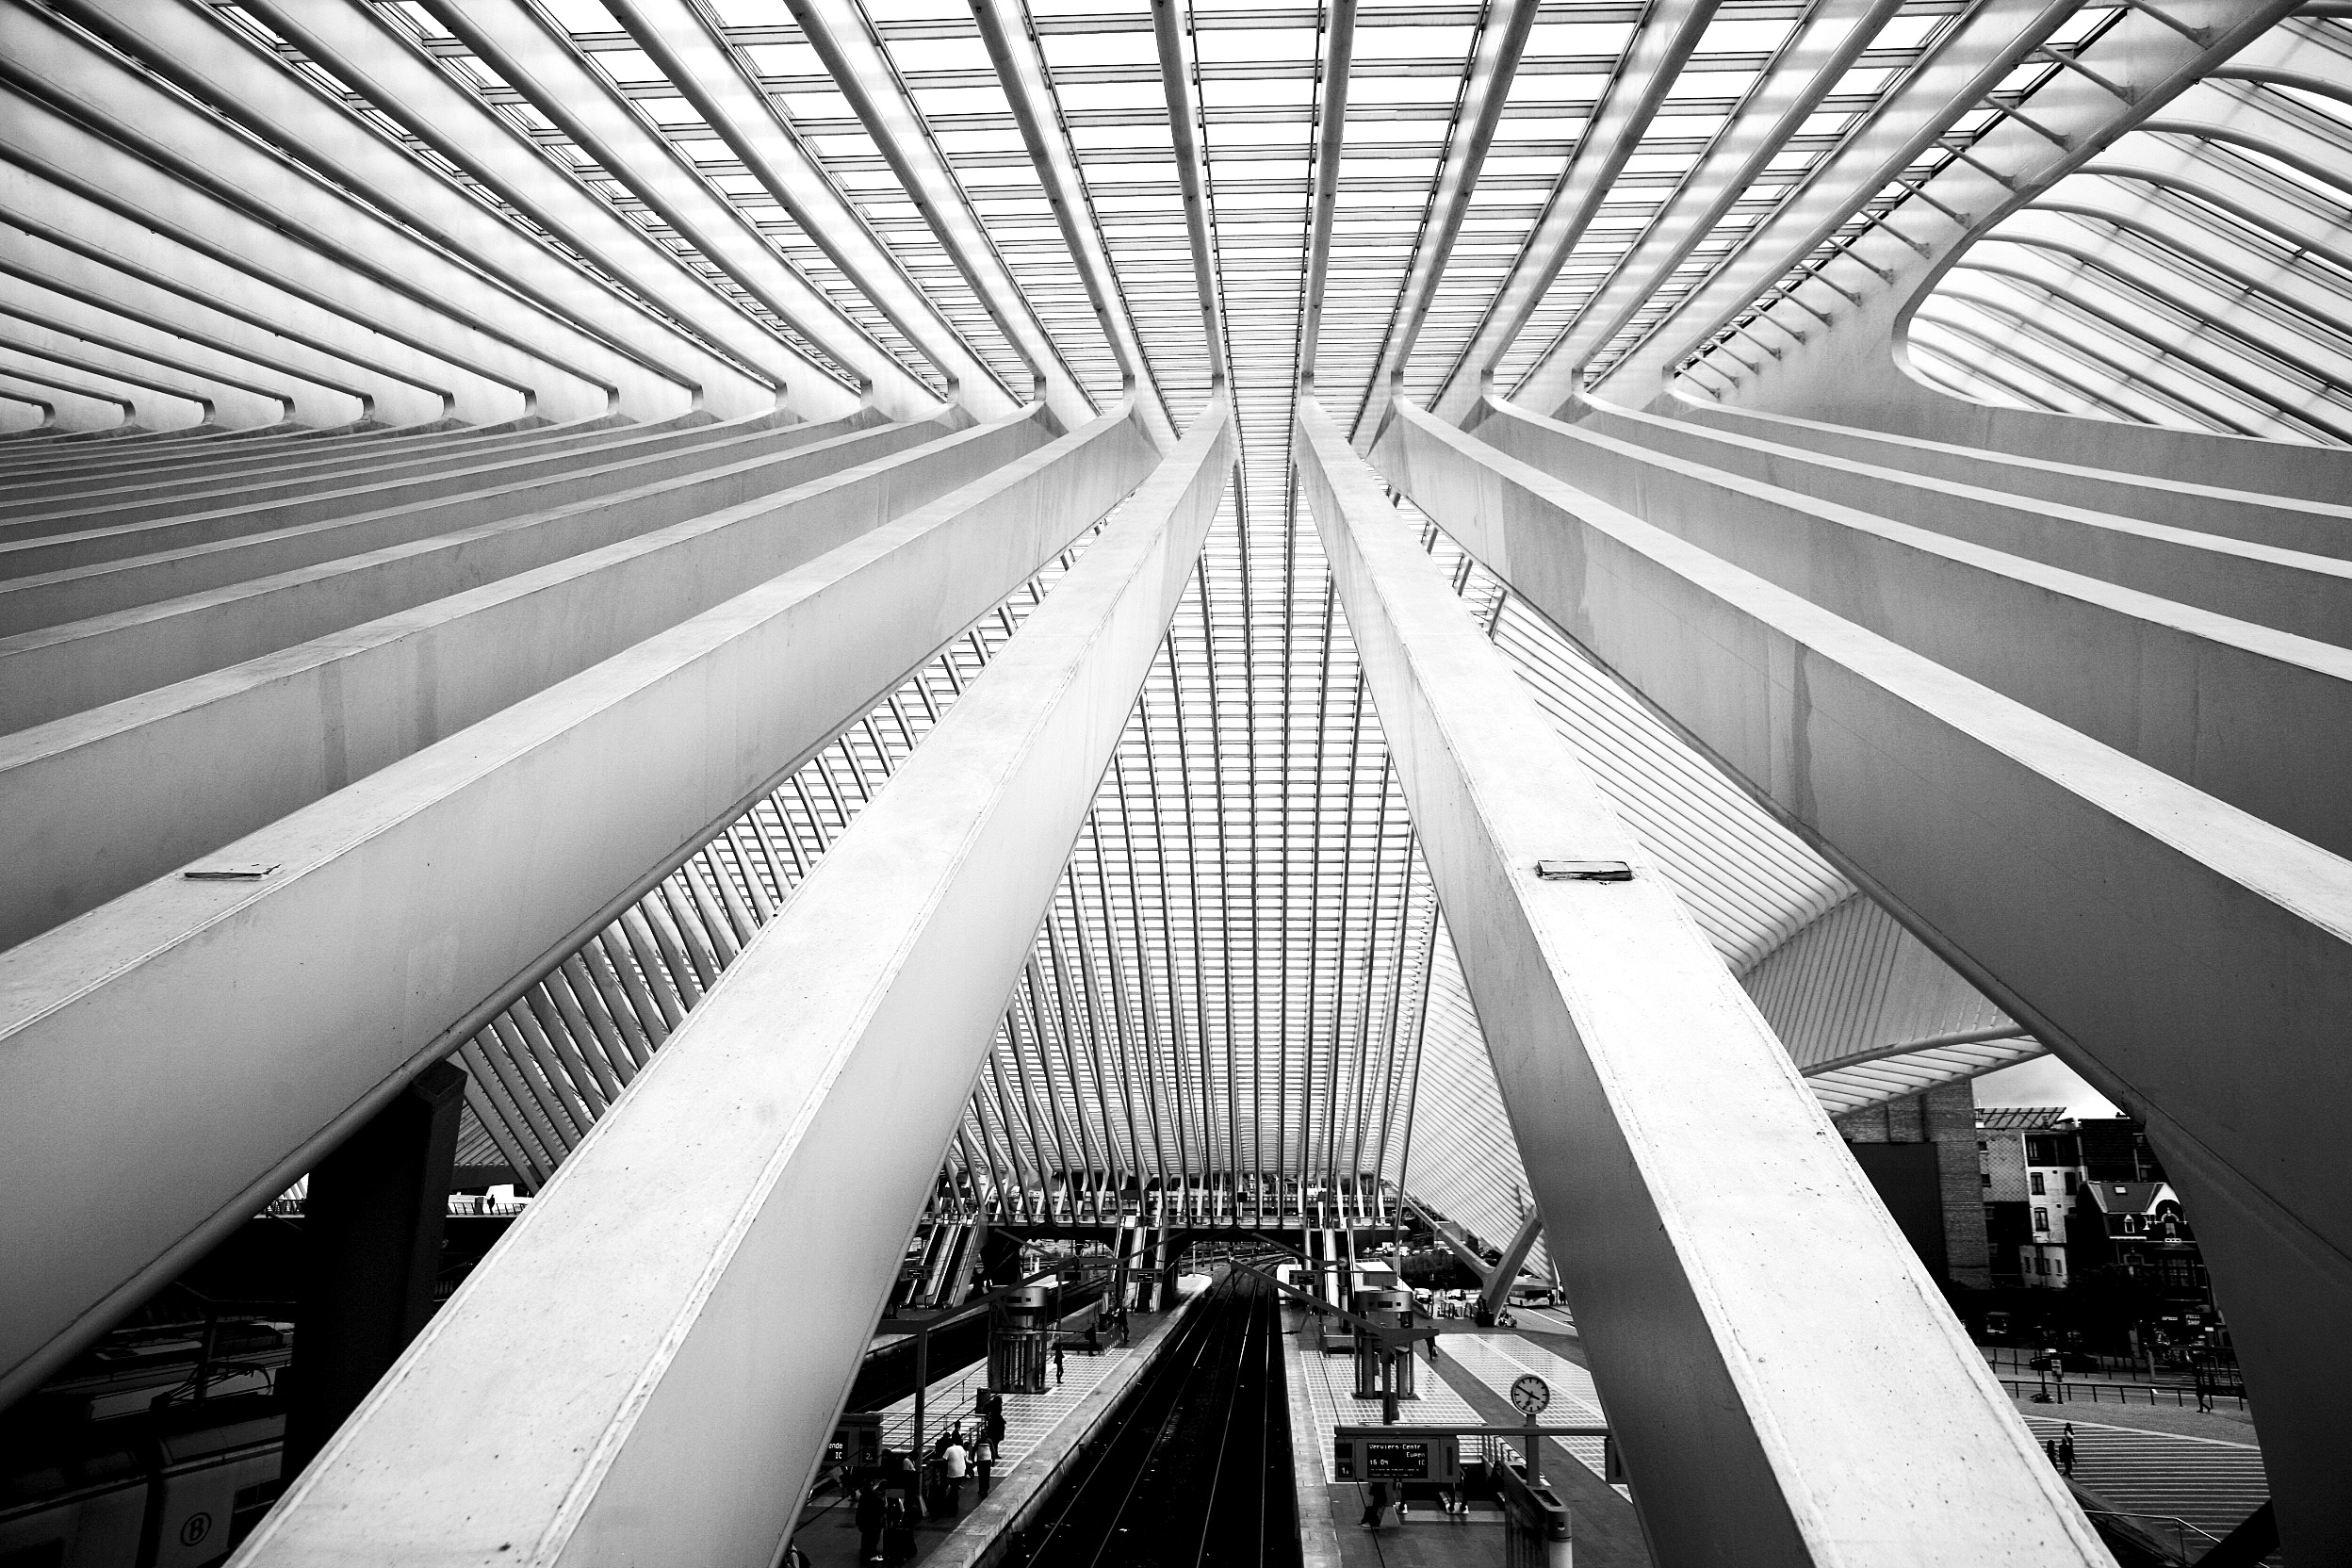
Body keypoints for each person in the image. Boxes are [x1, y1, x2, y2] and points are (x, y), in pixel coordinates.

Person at [855, 1483, 886, 1564]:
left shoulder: (864, 1496)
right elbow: (881, 1511)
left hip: (864, 1521)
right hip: (873, 1522)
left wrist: (858, 1521)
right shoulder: (877, 1497)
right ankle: (872, 1555)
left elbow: (859, 1510)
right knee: (873, 1538)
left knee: (865, 1537)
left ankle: (864, 1552)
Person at [940, 1435, 969, 1512]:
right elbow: (964, 1457)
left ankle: (953, 1506)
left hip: (953, 1473)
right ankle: (953, 1505)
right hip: (962, 1472)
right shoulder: (960, 1447)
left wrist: (933, 1461)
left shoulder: (949, 1449)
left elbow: (943, 1460)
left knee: (953, 1489)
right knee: (955, 1488)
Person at [972, 1435, 995, 1500]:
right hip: (980, 1461)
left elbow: (993, 1451)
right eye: (982, 1434)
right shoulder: (978, 1441)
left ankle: (986, 1489)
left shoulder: (989, 1441)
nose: (983, 1436)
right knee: (981, 1475)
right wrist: (973, 1461)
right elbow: (974, 1450)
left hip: (987, 1461)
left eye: (984, 1434)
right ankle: (981, 1489)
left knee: (987, 1475)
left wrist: (993, 1461)